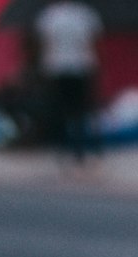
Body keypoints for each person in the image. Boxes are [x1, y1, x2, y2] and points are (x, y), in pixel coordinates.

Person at [34, 0, 103, 163]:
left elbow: (46, 43)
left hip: (57, 67)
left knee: (60, 110)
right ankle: (82, 149)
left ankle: (61, 148)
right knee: (82, 110)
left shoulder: (49, 16)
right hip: (81, 66)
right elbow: (92, 42)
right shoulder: (85, 14)